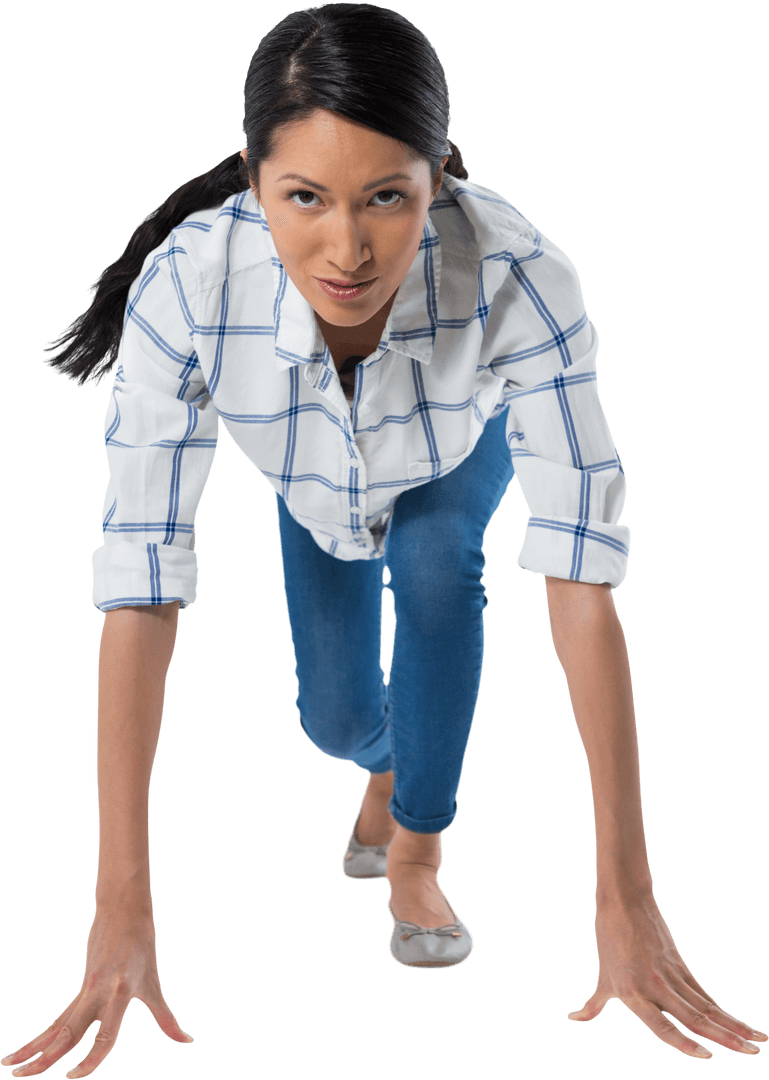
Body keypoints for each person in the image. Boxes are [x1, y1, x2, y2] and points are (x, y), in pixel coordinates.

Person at [3, 3, 764, 1076]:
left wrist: (627, 900)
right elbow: (141, 579)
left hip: (454, 445)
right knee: (338, 719)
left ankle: (416, 851)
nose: (348, 250)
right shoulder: (189, 286)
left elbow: (580, 576)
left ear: (437, 176)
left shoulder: (517, 272)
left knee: (434, 563)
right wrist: (118, 908)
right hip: (314, 478)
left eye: (387, 198)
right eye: (304, 197)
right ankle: (385, 772)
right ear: (252, 179)